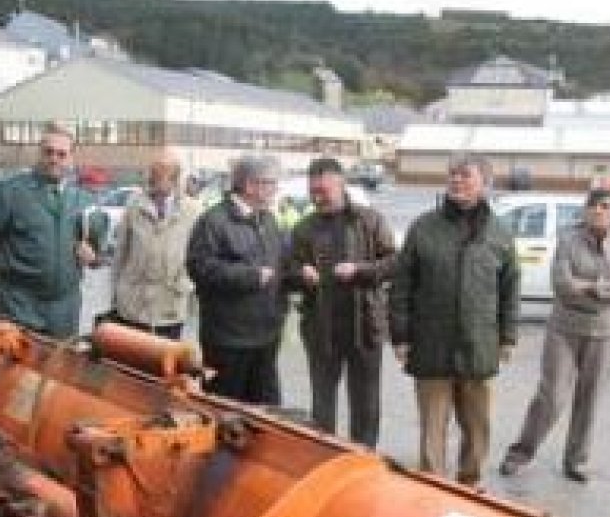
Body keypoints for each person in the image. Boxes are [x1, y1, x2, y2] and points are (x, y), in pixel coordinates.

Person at [389, 155, 520, 485]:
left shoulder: (499, 233)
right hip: (431, 345)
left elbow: (510, 289)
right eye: (452, 175)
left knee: (477, 426)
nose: (456, 181)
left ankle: (470, 482)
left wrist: (507, 336)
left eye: (465, 175)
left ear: (484, 183)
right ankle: (433, 487)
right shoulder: (424, 228)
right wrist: (401, 336)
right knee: (432, 426)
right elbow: (402, 285)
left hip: (479, 347)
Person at [500, 189, 610, 482]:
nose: (598, 211)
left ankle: (576, 461)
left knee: (590, 399)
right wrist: (605, 287)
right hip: (564, 328)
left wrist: (592, 287)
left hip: (604, 331)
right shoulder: (568, 238)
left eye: (605, 206)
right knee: (551, 396)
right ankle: (521, 452)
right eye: (593, 205)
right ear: (585, 209)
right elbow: (562, 285)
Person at [286, 158, 396, 446]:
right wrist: (300, 273)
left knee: (366, 405)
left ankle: (363, 459)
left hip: (365, 327)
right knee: (322, 405)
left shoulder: (370, 220)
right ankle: (324, 457)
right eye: (313, 192)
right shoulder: (303, 228)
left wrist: (360, 270)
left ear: (341, 184)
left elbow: (395, 262)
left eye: (323, 191)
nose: (317, 197)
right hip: (321, 329)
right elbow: (287, 272)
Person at [0, 124, 106, 339]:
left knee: (58, 370)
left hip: (64, 310)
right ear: (39, 153)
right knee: (15, 369)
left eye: (62, 154)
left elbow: (99, 251)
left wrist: (93, 257)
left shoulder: (84, 200)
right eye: (48, 152)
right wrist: (11, 267)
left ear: (71, 159)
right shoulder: (10, 192)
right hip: (19, 305)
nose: (54, 159)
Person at [186, 155, 287, 405]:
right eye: (271, 183)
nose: (275, 190)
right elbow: (200, 268)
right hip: (228, 340)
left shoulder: (268, 220)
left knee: (265, 415)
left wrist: (300, 276)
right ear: (251, 185)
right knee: (225, 413)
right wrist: (250, 277)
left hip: (265, 338)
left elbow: (279, 266)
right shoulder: (214, 221)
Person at [111, 150, 204, 340]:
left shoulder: (193, 210)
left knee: (163, 363)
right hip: (132, 304)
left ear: (175, 177)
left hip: (170, 305)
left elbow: (200, 256)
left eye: (162, 174)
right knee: (130, 361)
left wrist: (186, 285)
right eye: (152, 173)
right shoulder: (134, 205)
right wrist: (116, 294)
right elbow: (121, 253)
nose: (153, 179)